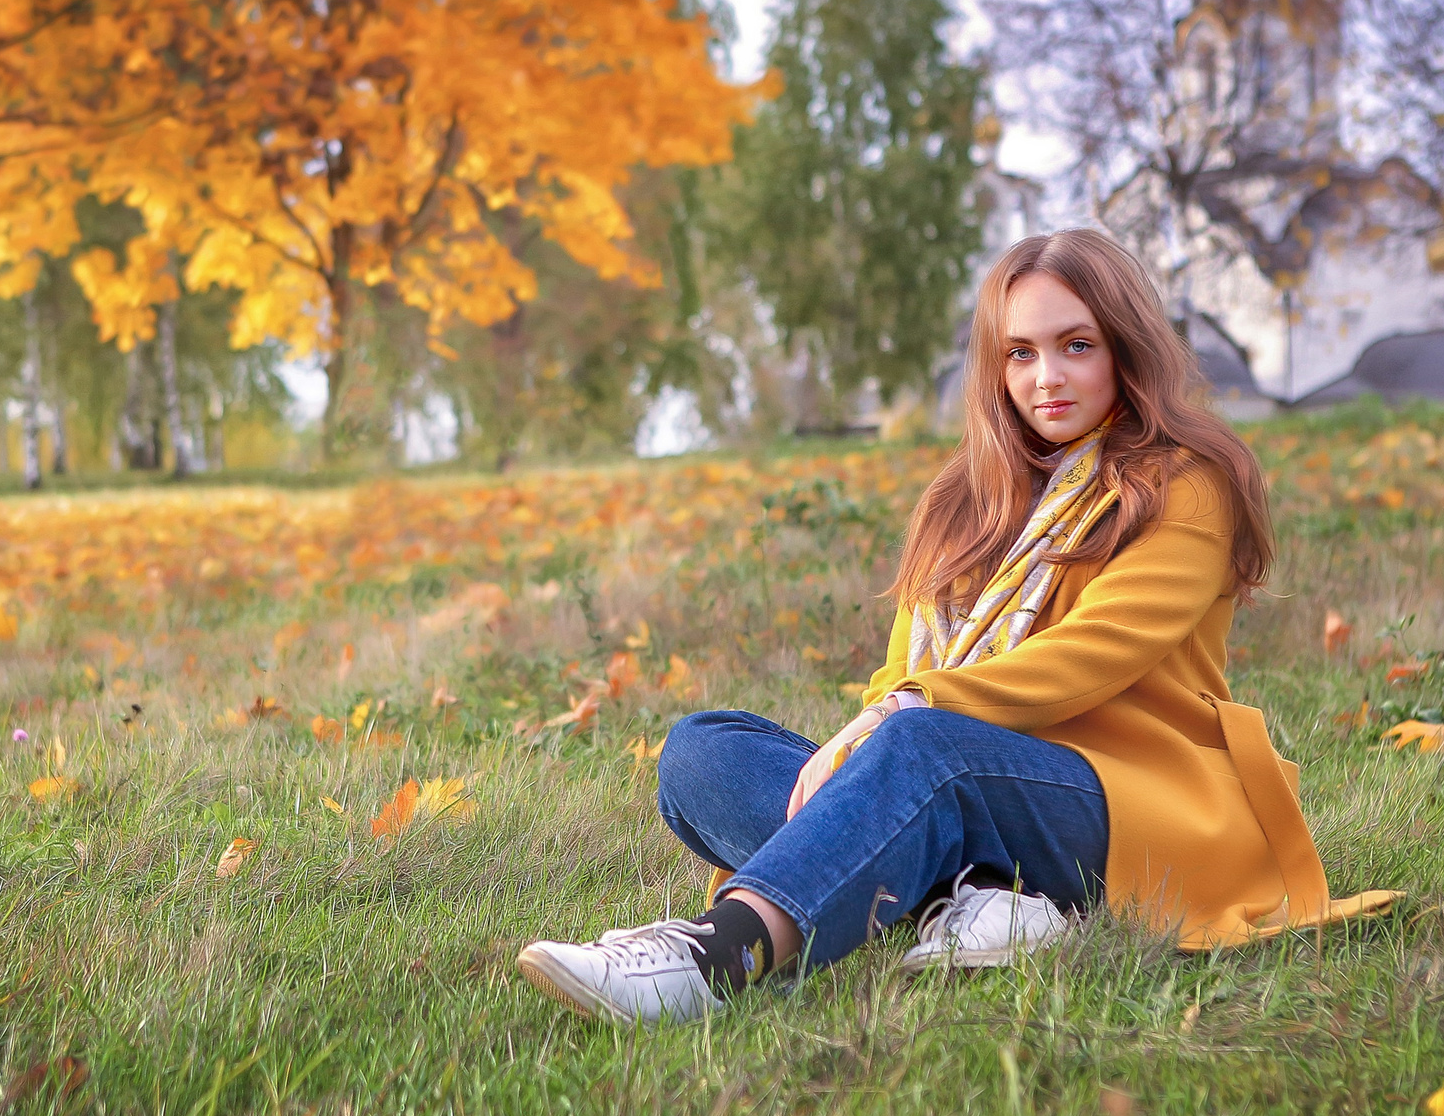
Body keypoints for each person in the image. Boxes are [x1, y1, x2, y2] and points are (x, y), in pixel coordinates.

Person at [517, 230, 1396, 1024]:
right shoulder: (962, 503)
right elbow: (895, 679)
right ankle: (978, 901)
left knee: (924, 746)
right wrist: (880, 724)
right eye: (1021, 353)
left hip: (1118, 803)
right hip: (958, 774)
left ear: (1125, 351)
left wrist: (902, 715)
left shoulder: (1181, 484)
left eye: (1076, 346)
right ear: (995, 366)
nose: (1046, 377)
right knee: (702, 752)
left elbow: (1089, 659)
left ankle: (716, 956)